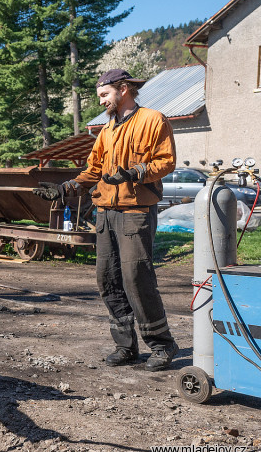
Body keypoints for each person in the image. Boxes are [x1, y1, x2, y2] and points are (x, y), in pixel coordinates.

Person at [33, 69, 179, 372]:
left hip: (135, 211)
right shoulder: (107, 130)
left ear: (123, 89)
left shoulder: (153, 120)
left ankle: (162, 345)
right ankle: (125, 347)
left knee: (136, 278)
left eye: (104, 95)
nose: (101, 102)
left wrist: (134, 172)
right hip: (105, 213)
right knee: (108, 279)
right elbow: (93, 170)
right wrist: (64, 189)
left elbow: (165, 161)